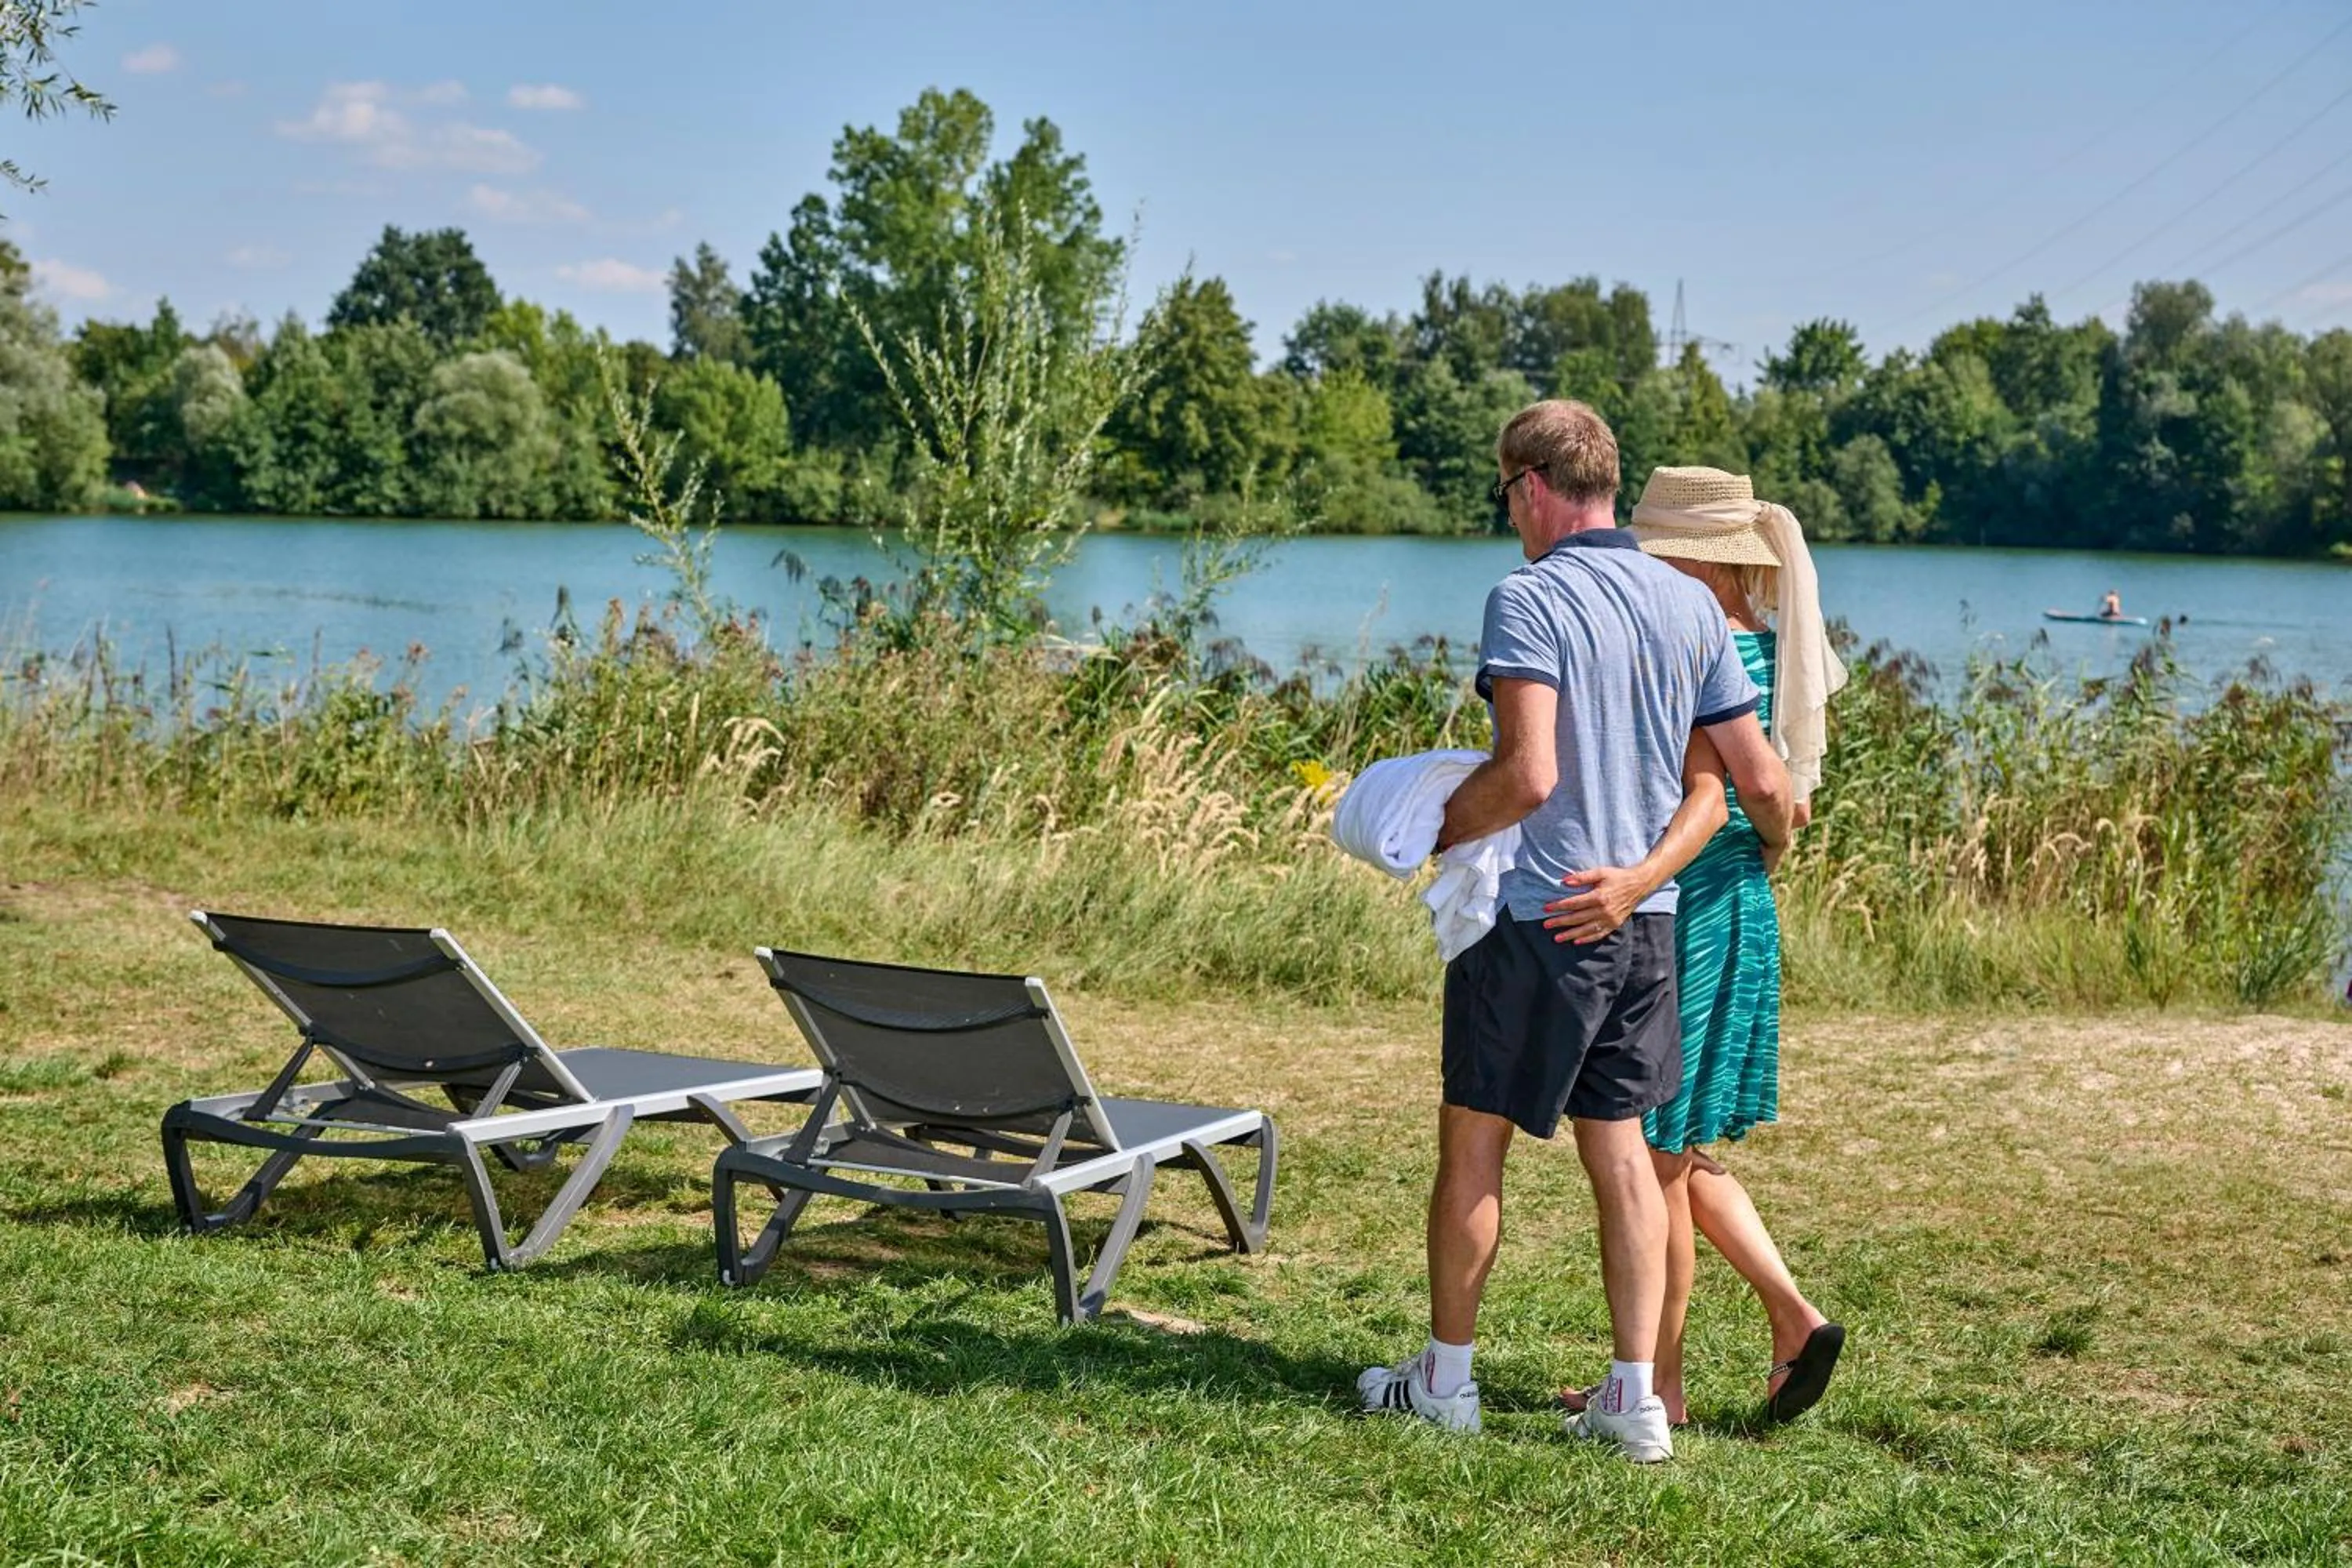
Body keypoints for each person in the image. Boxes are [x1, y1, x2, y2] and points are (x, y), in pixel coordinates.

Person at [1356, 404, 1792, 1464]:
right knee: (1628, 1161)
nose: (1509, 515)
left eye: (1505, 495)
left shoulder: (1529, 598)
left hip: (1534, 920)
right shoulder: (1690, 606)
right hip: (1642, 925)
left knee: (1474, 1151)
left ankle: (1446, 1383)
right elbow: (1758, 776)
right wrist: (1675, 871)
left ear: (1532, 484)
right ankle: (1637, 1402)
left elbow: (1531, 774)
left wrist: (1433, 828)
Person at [1552, 465, 1849, 1427]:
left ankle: (1660, 1386)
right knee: (1673, 1144)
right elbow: (1787, 795)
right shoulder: (1762, 645)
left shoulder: (1699, 642)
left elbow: (1755, 790)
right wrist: (1769, 846)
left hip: (1688, 906)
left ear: (1688, 555)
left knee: (1656, 1149)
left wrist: (1762, 834)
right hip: (1738, 898)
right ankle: (1789, 1316)